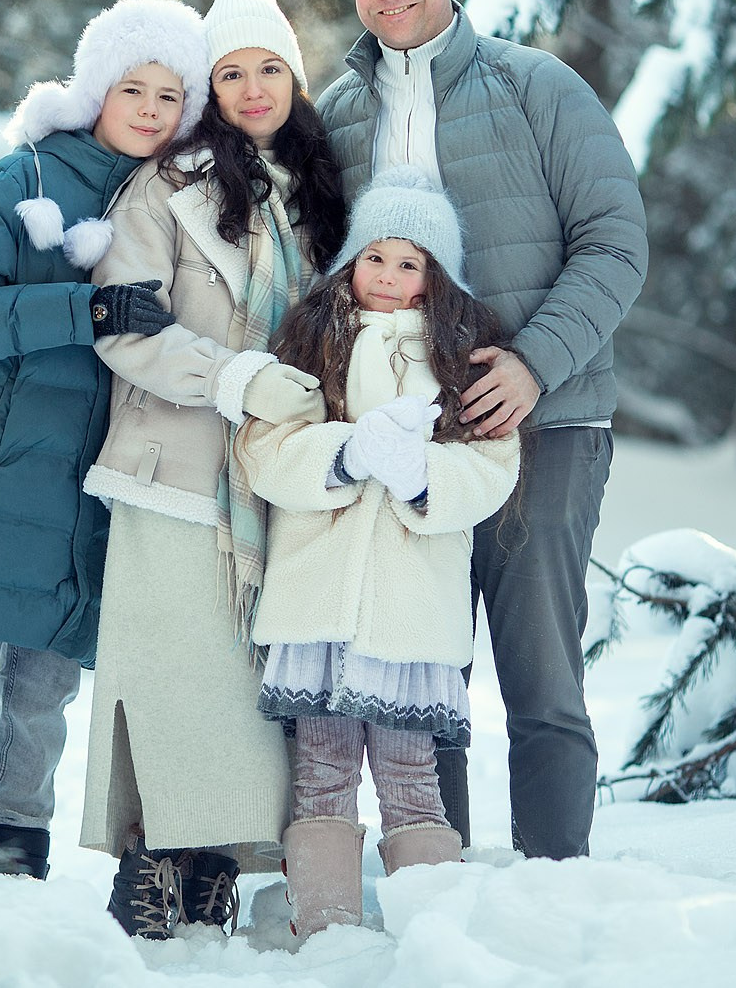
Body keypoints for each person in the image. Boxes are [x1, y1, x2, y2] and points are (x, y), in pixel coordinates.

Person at [315, 0, 648, 860]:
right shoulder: (336, 117)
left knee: (540, 675)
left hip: (542, 427)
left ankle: (554, 885)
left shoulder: (534, 86)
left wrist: (535, 364)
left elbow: (614, 242)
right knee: (425, 676)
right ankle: (440, 882)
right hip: (414, 442)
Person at [0, 0, 211, 881]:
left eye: (169, 94)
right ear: (95, 90)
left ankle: (14, 837)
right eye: (132, 88)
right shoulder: (22, 179)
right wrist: (87, 308)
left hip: (84, 492)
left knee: (45, 685)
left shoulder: (169, 199)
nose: (149, 109)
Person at [78, 0, 348, 938]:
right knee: (171, 677)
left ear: (294, 77)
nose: (253, 87)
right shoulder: (167, 186)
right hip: (172, 465)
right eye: (230, 72)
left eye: (269, 67)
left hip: (274, 477)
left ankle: (217, 860)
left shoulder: (319, 195)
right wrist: (236, 380)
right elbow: (128, 327)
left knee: (242, 688)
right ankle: (149, 861)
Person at [237, 167, 521, 938]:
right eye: (377, 257)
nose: (390, 277)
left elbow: (494, 469)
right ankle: (324, 929)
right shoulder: (309, 338)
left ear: (437, 278)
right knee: (321, 771)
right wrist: (347, 452)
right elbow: (264, 451)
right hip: (318, 603)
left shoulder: (461, 358)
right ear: (350, 261)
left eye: (412, 262)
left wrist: (421, 471)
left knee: (409, 772)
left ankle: (434, 928)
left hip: (407, 611)